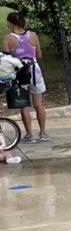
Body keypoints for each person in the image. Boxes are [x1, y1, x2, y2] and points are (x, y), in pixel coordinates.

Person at [3, 12, 48, 142]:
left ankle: (29, 134)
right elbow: (38, 54)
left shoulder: (8, 39)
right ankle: (43, 132)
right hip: (35, 71)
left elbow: (6, 59)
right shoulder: (33, 35)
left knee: (24, 105)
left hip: (20, 74)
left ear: (12, 23)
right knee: (39, 104)